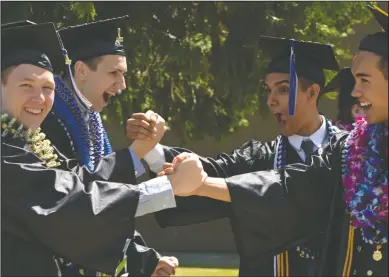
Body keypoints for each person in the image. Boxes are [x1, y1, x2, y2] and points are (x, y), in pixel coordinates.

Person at [159, 4, 389, 276]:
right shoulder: (352, 152)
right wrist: (201, 183)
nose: (354, 91)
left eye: (364, 79)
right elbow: (292, 187)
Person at [128, 37, 349, 276]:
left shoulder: (349, 153)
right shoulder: (260, 158)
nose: (270, 100)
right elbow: (210, 173)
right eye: (268, 90)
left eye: (283, 89)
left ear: (312, 92)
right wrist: (150, 149)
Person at [1, 22, 206, 277]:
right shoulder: (5, 150)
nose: (40, 99)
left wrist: (143, 259)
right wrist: (167, 188)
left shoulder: (29, 141)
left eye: (47, 88)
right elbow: (70, 206)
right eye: (26, 86)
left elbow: (81, 181)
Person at [36, 16, 177, 276]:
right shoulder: (46, 122)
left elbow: (107, 201)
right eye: (114, 73)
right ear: (81, 70)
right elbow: (80, 199)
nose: (122, 86)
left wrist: (145, 259)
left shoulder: (90, 119)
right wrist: (137, 152)